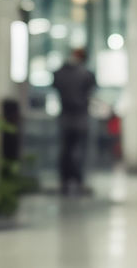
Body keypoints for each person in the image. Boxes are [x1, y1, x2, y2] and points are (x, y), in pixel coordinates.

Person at [52, 48, 97, 195]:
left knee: (66, 150)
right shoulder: (86, 74)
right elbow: (90, 90)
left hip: (65, 117)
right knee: (79, 150)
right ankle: (77, 180)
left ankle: (65, 180)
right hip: (80, 117)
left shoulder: (60, 73)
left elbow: (56, 86)